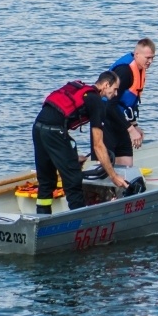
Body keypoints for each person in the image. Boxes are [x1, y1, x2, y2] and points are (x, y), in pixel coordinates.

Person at [33, 71, 127, 213]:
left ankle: (41, 218)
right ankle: (81, 221)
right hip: (54, 131)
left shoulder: (82, 91)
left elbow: (58, 119)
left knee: (46, 181)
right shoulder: (97, 102)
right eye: (115, 89)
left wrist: (71, 157)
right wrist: (113, 176)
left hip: (38, 127)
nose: (115, 94)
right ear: (106, 85)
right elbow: (98, 145)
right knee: (73, 181)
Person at [91, 38, 156, 166]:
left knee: (127, 165)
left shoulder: (140, 69)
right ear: (137, 54)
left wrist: (134, 124)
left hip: (120, 120)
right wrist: (131, 130)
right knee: (106, 166)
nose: (150, 62)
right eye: (147, 58)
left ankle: (124, 185)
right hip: (106, 120)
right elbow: (110, 106)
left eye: (152, 58)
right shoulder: (125, 72)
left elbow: (129, 103)